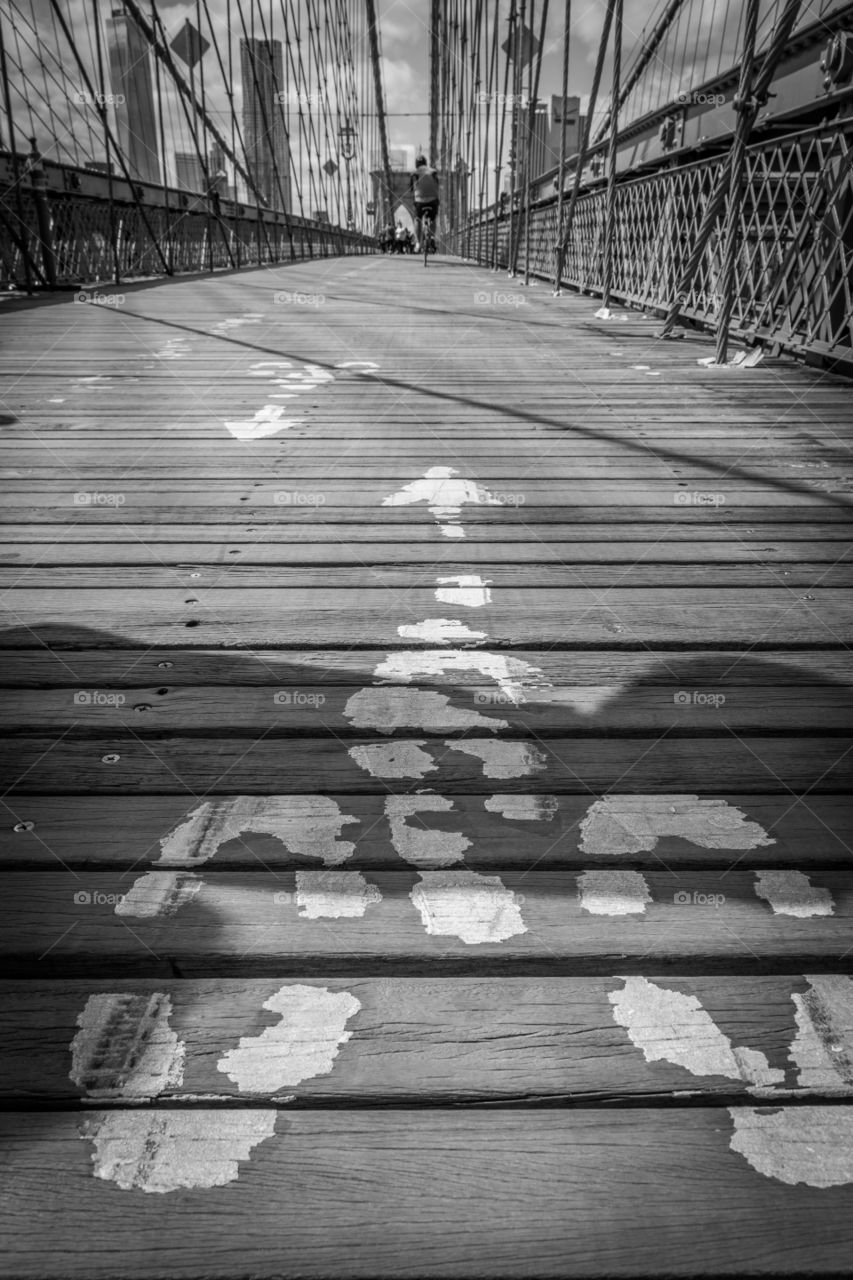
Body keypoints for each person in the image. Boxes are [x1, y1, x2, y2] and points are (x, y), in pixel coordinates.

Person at [410, 155, 439, 252]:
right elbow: (437, 184)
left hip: (419, 201)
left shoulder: (414, 173)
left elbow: (411, 188)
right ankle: (432, 238)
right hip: (432, 200)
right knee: (433, 219)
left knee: (417, 219)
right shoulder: (433, 171)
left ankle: (418, 243)